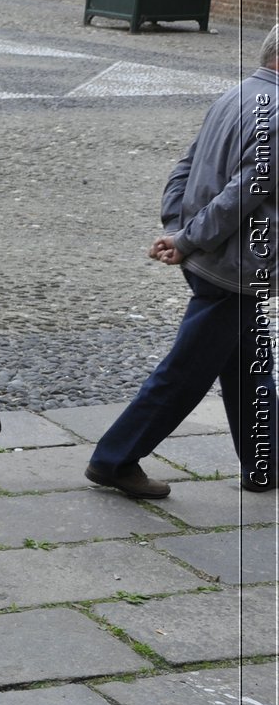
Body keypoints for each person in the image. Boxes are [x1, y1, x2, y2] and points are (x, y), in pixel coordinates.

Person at [85, 25, 279, 500]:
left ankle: (266, 463)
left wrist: (178, 227)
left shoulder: (235, 95)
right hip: (232, 268)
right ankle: (114, 458)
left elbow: (184, 167)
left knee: (250, 363)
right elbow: (241, 199)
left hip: (218, 261)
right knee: (185, 373)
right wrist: (187, 239)